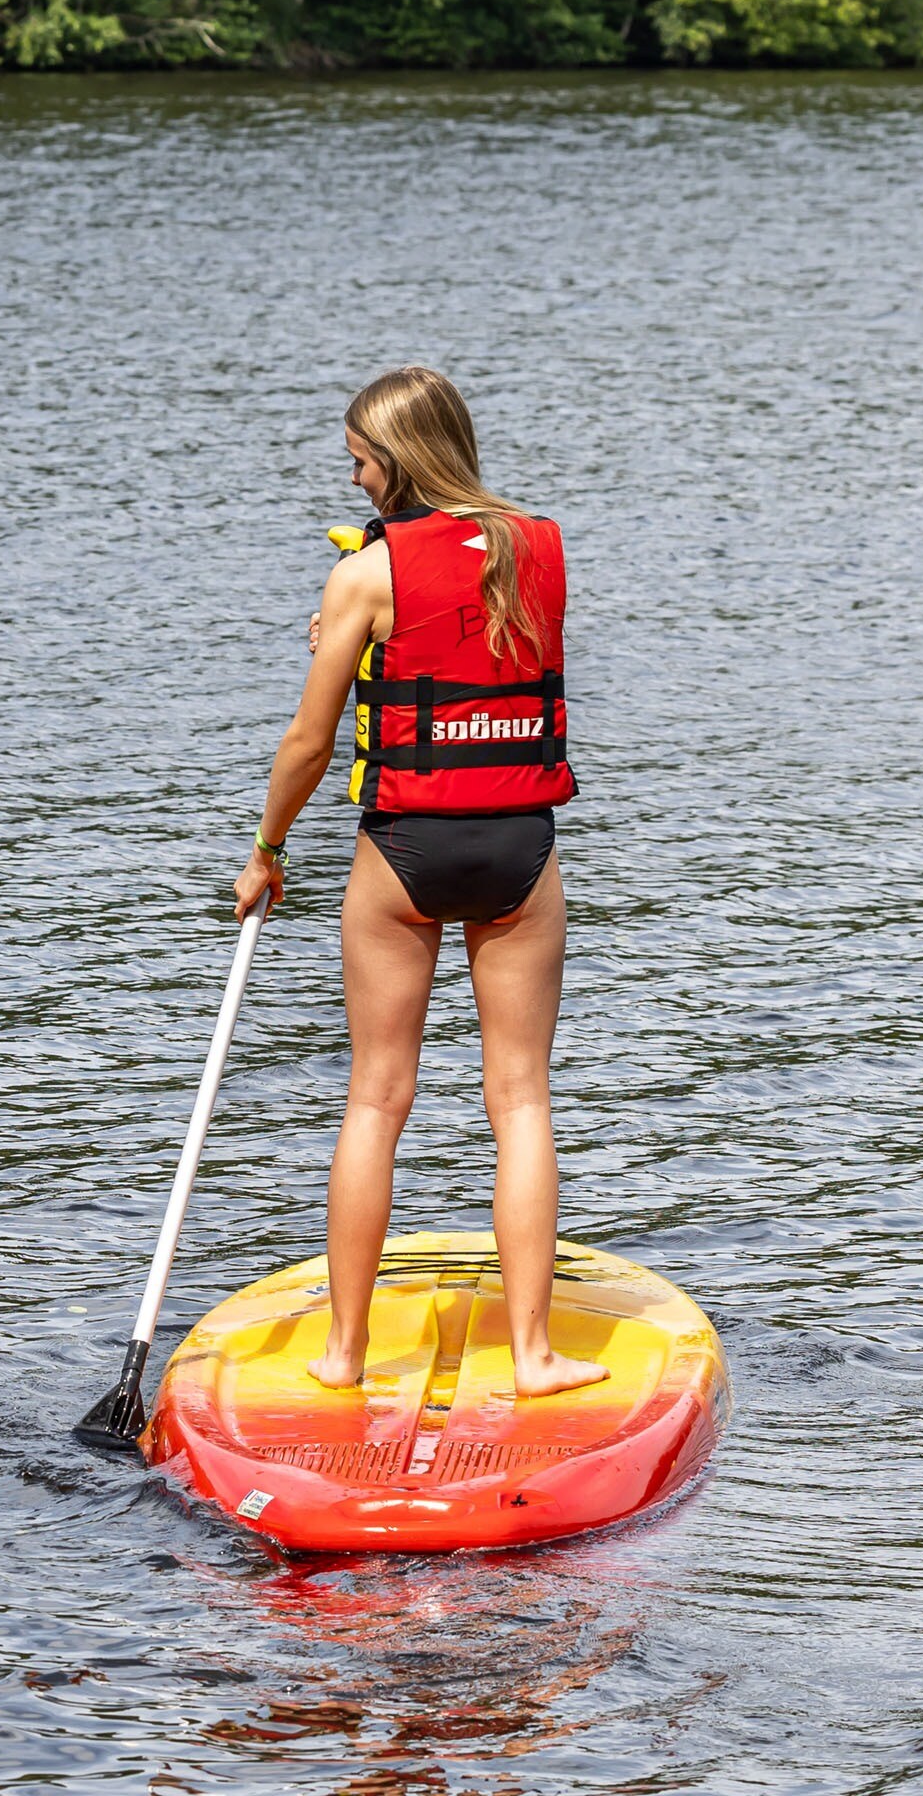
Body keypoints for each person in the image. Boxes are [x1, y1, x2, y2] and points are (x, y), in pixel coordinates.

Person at [230, 366, 607, 1399]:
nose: (352, 478)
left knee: (376, 1098)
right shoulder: (538, 546)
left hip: (405, 850)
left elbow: (311, 739)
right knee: (521, 1098)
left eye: (359, 459)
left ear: (396, 460)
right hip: (519, 850)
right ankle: (532, 1354)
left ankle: (346, 1353)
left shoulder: (363, 576)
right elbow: (480, 644)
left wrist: (267, 846)